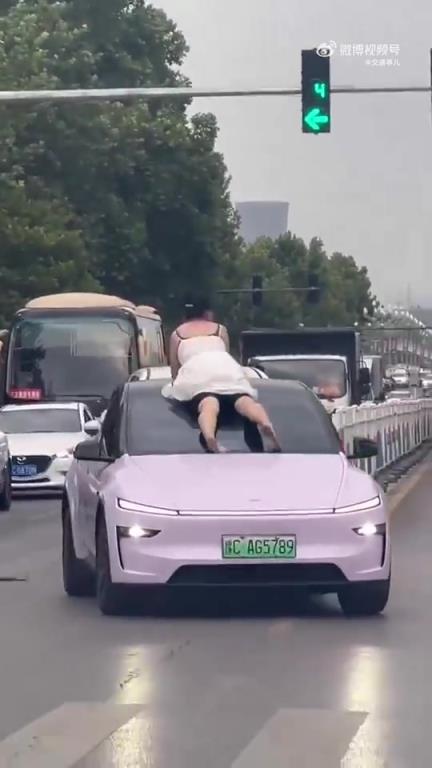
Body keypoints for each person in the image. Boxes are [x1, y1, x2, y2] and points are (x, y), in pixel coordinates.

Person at [162, 297, 280, 453]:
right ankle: (265, 422)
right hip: (225, 364)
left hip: (196, 369)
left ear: (185, 314)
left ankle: (210, 436)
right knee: (244, 400)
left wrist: (178, 384)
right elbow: (225, 351)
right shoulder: (219, 329)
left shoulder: (177, 334)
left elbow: (174, 368)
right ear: (207, 313)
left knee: (208, 404)